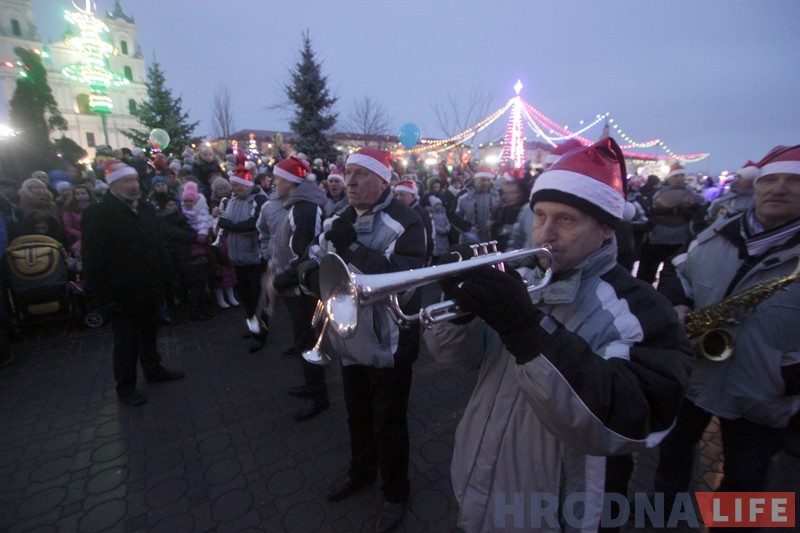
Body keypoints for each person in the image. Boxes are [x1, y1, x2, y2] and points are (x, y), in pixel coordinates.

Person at [423, 138, 693, 532]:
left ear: (604, 229)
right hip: (480, 479)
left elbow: (630, 420)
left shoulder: (640, 309)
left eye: (566, 220)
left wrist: (527, 332)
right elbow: (458, 360)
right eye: (541, 216)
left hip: (558, 509)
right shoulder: (525, 278)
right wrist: (459, 312)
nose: (546, 234)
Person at [654, 144, 800, 517]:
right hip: (697, 375)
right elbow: (677, 271)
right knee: (672, 452)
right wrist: (678, 303)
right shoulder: (717, 234)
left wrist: (789, 375)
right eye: (770, 181)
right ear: (757, 187)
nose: (778, 189)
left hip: (762, 391)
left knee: (747, 481)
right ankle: (664, 516)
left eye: (793, 181)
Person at [302, 147, 426, 532]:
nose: (350, 182)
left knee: (389, 423)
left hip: (389, 343)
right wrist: (307, 278)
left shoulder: (408, 222)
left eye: (360, 174)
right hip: (348, 336)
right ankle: (361, 471)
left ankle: (395, 492)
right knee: (357, 414)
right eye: (348, 173)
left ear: (383, 179)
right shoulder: (339, 215)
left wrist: (351, 247)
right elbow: (314, 259)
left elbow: (405, 282)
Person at [81, 161, 185, 406]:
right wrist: (103, 298)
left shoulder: (146, 209)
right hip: (122, 292)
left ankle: (153, 369)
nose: (133, 185)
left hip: (150, 285)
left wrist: (168, 278)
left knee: (149, 332)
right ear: (112, 185)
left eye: (135, 180)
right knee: (126, 342)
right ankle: (126, 387)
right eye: (126, 181)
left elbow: (158, 245)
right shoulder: (99, 213)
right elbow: (93, 260)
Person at [262, 156, 330, 422]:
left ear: (290, 182)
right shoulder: (295, 205)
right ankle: (311, 385)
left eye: (277, 179)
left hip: (304, 290)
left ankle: (319, 395)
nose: (274, 183)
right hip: (294, 287)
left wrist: (279, 281)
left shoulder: (306, 208)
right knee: (303, 340)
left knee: (308, 341)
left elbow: (306, 255)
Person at [217, 167, 270, 352]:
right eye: (232, 185)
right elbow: (227, 219)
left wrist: (230, 226)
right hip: (238, 256)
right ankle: (253, 327)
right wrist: (220, 218)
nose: (233, 189)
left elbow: (255, 225)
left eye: (236, 186)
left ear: (246, 185)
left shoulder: (259, 199)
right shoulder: (232, 200)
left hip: (254, 257)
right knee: (245, 297)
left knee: (257, 299)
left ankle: (261, 334)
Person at [636, 163, 704, 284]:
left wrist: (691, 209)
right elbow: (649, 212)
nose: (679, 178)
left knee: (671, 277)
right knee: (646, 275)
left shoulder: (692, 194)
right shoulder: (657, 193)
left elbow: (702, 212)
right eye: (676, 176)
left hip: (679, 241)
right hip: (657, 239)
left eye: (681, 175)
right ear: (670, 177)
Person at [451, 166, 500, 244]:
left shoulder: (497, 196)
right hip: (470, 241)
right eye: (482, 180)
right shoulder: (463, 196)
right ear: (475, 180)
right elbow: (453, 216)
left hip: (491, 242)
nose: (486, 183)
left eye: (488, 180)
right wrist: (468, 227)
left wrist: (494, 225)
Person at [393, 180, 434, 264]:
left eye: (402, 195)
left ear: (413, 195)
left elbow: (428, 238)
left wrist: (427, 257)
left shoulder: (421, 213)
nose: (398, 198)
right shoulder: (397, 211)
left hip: (416, 259)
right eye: (396, 195)